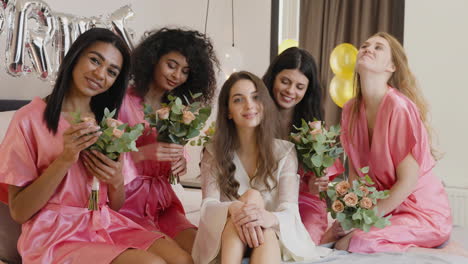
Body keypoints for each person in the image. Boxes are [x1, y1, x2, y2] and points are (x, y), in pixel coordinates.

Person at [0, 28, 190, 264]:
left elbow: (116, 205)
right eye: (94, 60)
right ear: (75, 56)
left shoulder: (109, 123)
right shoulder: (29, 119)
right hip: (56, 235)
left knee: (181, 260)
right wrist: (64, 160)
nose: (100, 74)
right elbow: (19, 211)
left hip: (105, 223)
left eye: (111, 71)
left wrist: (117, 180)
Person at [335, 32, 459, 255]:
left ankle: (440, 251)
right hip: (387, 211)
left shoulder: (398, 107)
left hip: (422, 213)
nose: (368, 49)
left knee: (358, 241)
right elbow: (355, 177)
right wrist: (354, 216)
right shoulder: (350, 110)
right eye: (364, 45)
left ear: (391, 66)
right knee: (333, 236)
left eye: (378, 47)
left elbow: (408, 181)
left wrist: (368, 220)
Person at [192, 71, 331, 263]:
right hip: (228, 233)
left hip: (271, 232)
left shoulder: (285, 152)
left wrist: (266, 218)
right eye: (238, 99)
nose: (249, 105)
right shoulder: (213, 152)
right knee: (246, 205)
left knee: (258, 215)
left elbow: (289, 209)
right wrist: (234, 208)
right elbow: (208, 207)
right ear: (228, 111)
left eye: (255, 97)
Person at [117, 27, 218, 255]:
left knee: (206, 252)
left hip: (164, 204)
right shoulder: (121, 102)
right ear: (153, 60)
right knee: (180, 259)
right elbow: (103, 161)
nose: (177, 76)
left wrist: (178, 163)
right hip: (126, 204)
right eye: (171, 65)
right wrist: (142, 154)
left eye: (185, 71)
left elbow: (172, 155)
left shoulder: (178, 111)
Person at [262, 47, 344, 244]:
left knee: (298, 244)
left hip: (303, 202)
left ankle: (324, 238)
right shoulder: (255, 114)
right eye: (285, 81)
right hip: (263, 198)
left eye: (300, 86)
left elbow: (317, 186)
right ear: (273, 78)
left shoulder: (314, 128)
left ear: (308, 90)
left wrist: (315, 184)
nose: (290, 91)